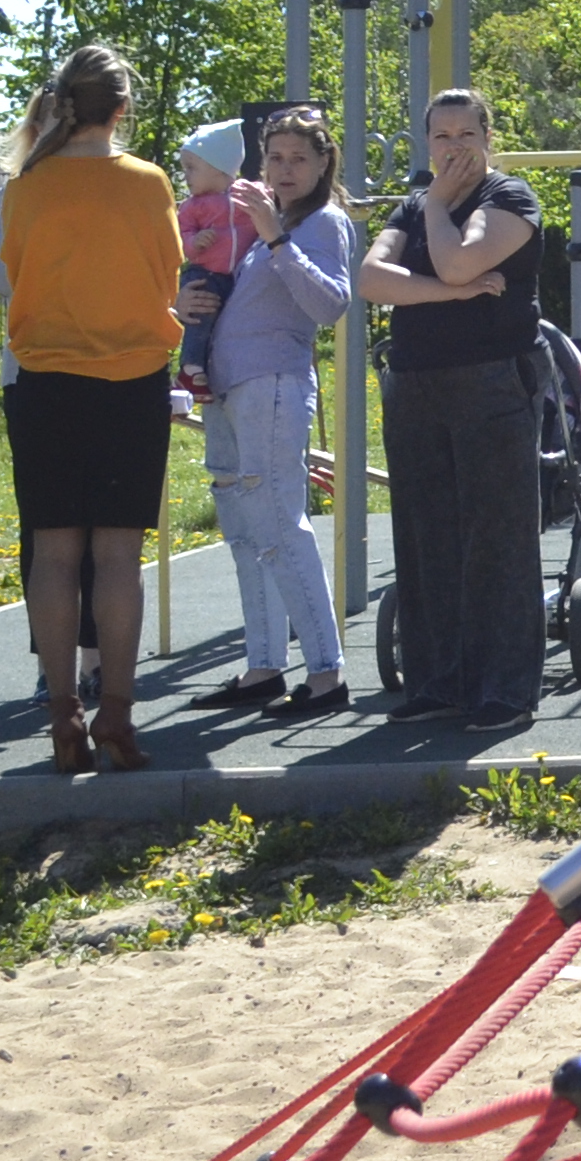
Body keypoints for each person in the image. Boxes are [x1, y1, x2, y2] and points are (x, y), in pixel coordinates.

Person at [0, 43, 184, 774]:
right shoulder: (147, 182)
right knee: (117, 553)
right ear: (122, 108)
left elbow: (13, 271)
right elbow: (168, 272)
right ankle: (117, 713)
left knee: (53, 549)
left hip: (45, 379)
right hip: (131, 377)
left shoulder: (25, 185)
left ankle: (60, 712)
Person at [357, 87, 544, 728]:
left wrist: (437, 214)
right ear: (427, 142)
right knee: (424, 537)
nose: (455, 147)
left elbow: (462, 262)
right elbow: (371, 280)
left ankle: (506, 689)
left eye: (467, 134)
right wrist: (446, 293)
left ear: (489, 138)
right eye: (442, 136)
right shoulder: (413, 205)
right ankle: (438, 683)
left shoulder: (510, 198)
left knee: (497, 538)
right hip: (416, 385)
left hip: (492, 382)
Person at [183, 106, 357, 714]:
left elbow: (330, 304)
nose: (284, 170)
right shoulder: (258, 225)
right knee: (244, 531)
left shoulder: (320, 223)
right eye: (274, 158)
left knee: (282, 525)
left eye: (298, 159)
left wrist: (277, 238)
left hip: (274, 384)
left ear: (321, 164)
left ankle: (327, 673)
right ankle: (264, 665)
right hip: (229, 392)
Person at [173, 117, 255, 402]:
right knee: (201, 312)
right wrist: (194, 243)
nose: (186, 175)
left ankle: (207, 371)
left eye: (192, 168)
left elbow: (273, 206)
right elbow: (181, 237)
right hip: (203, 273)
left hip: (235, 277)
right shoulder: (193, 206)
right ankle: (190, 368)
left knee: (225, 322)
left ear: (219, 168)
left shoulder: (247, 195)